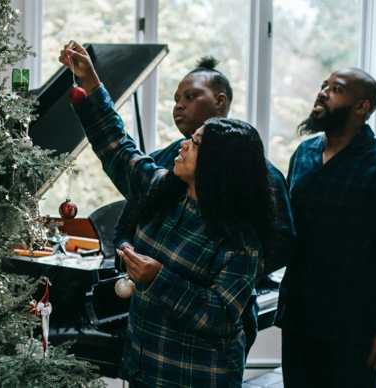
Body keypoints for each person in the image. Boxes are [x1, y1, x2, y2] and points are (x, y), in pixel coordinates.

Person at [60, 41, 276, 387]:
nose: (184, 144)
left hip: (197, 377)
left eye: (197, 143)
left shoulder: (240, 240)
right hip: (145, 369)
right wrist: (90, 82)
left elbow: (220, 317)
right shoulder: (160, 188)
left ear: (218, 166)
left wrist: (159, 278)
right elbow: (116, 144)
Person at [112, 57, 296, 358]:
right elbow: (126, 225)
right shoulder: (161, 160)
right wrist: (127, 253)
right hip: (153, 319)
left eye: (190, 96)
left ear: (220, 102)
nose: (178, 106)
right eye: (176, 99)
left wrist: (212, 274)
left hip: (215, 325)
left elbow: (283, 242)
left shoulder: (259, 174)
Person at [276, 68, 376, 388]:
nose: (323, 92)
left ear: (361, 107)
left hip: (353, 330)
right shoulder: (303, 154)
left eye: (336, 89)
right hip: (299, 318)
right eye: (323, 85)